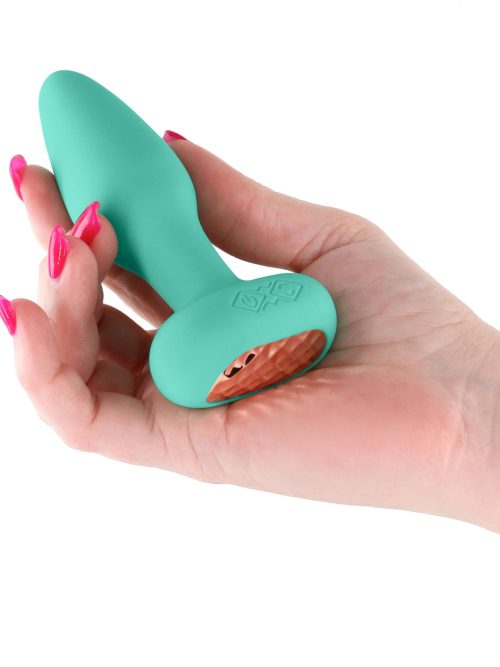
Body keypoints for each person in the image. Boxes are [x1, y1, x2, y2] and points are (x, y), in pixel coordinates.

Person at [2, 131, 499, 532]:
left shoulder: (190, 358)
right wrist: (461, 431)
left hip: (228, 341)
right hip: (277, 325)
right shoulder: (300, 309)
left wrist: (464, 423)